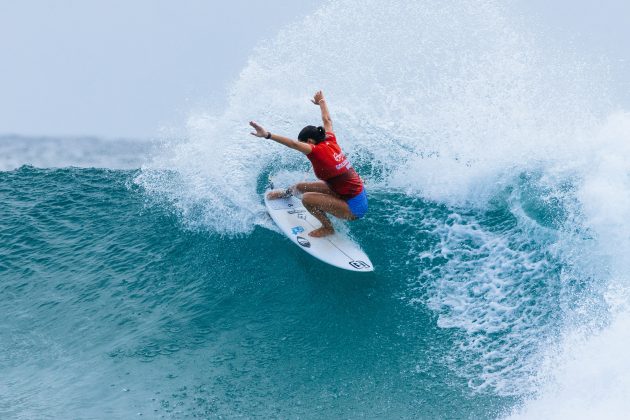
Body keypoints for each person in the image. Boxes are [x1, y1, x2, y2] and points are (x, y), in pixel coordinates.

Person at [249, 90, 368, 238]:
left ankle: (327, 227)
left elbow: (293, 144)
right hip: (348, 192)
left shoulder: (315, 150)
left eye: (303, 144)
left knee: (307, 199)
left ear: (310, 141)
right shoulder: (330, 139)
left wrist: (267, 135)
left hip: (355, 208)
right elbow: (327, 121)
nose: (302, 147)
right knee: (300, 187)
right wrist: (322, 102)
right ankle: (286, 194)